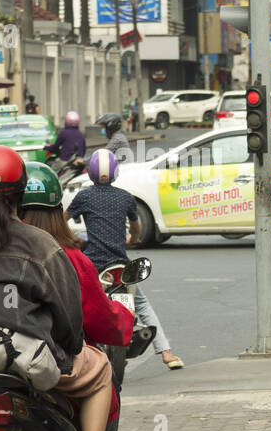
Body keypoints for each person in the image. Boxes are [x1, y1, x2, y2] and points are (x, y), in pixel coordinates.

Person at [0, 146, 128, 431]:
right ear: (20, 191)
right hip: (29, 364)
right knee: (100, 369)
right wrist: (69, 351)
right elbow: (69, 319)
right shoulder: (44, 246)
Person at [67, 149, 184, 370]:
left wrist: (74, 240)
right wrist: (133, 239)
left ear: (91, 173)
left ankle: (76, 350)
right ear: (115, 172)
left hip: (95, 265)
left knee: (78, 302)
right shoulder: (125, 197)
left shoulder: (83, 197)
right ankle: (166, 353)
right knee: (141, 304)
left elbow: (62, 220)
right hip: (121, 265)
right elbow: (136, 227)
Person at [20, 162, 134, 358]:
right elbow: (100, 319)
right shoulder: (70, 257)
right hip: (55, 362)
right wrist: (126, 315)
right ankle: (165, 349)